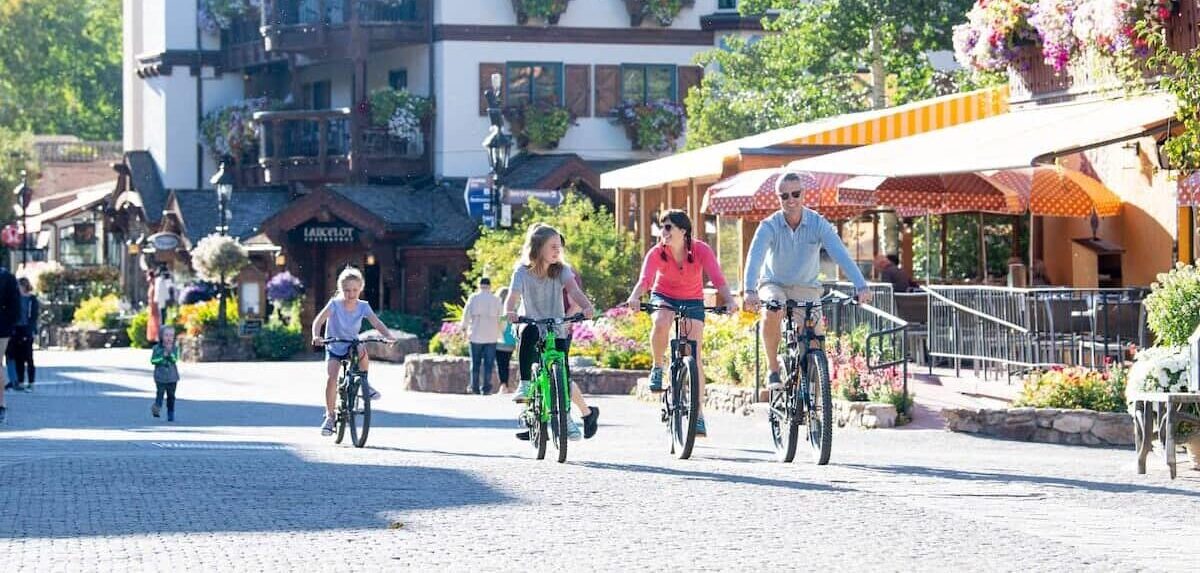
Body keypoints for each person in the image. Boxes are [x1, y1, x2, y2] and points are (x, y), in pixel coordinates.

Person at [742, 171, 873, 391]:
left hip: (807, 287)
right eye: (784, 196)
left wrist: (861, 286)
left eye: (795, 194)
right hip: (774, 284)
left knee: (814, 340)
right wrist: (749, 290)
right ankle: (773, 369)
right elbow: (754, 257)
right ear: (778, 198)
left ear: (804, 194)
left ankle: (812, 394)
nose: (791, 200)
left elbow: (840, 254)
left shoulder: (818, 223)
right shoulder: (769, 225)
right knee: (772, 308)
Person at [624, 209, 735, 437]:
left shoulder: (701, 250)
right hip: (663, 295)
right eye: (661, 227)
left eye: (668, 227)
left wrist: (731, 301)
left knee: (694, 355)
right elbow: (645, 280)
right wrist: (635, 297)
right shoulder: (656, 252)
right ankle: (657, 366)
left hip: (693, 299)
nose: (662, 232)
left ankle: (699, 415)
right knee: (662, 320)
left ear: (683, 231)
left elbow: (718, 278)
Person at [505, 223, 600, 441]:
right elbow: (512, 296)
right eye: (553, 246)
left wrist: (587, 307)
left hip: (556, 326)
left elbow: (574, 291)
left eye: (559, 247)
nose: (558, 250)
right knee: (529, 333)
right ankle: (526, 384)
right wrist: (509, 310)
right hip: (531, 323)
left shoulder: (562, 270)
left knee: (562, 372)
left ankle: (566, 420)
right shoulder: (522, 271)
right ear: (538, 248)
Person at [311, 267, 397, 436]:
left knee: (361, 346)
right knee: (332, 378)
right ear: (341, 290)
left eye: (355, 290)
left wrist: (388, 336)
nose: (351, 294)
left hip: (350, 345)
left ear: (361, 289)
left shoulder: (363, 306)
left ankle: (365, 382)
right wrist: (316, 336)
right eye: (347, 290)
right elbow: (318, 321)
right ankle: (330, 417)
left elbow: (377, 323)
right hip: (335, 346)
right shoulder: (335, 304)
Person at [461, 277, 502, 395]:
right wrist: (500, 331)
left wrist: (464, 329)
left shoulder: (473, 298)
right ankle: (486, 388)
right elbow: (502, 318)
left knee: (475, 363)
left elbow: (466, 315)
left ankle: (474, 388)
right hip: (491, 336)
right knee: (489, 364)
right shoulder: (496, 300)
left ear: (480, 285)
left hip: (475, 335)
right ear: (490, 286)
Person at [6, 278, 38, 392]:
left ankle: (31, 382)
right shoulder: (16, 299)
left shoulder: (31, 299)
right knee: (18, 357)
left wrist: (31, 331)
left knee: (28, 357)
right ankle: (19, 381)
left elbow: (33, 316)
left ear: (24, 286)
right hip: (16, 329)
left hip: (26, 329)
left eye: (19, 286)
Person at [0, 266, 20, 425]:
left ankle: (1, 406)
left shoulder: (6, 277)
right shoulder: (7, 276)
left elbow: (15, 308)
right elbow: (15, 308)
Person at [150, 326, 182, 422]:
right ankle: (157, 407)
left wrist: (170, 354)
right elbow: (153, 360)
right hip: (160, 376)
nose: (169, 338)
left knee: (171, 396)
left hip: (172, 377)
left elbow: (175, 359)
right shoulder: (156, 348)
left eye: (171, 335)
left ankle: (170, 413)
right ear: (161, 336)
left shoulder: (175, 348)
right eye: (166, 335)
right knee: (160, 393)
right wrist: (162, 356)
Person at [495, 286, 517, 394]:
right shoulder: (513, 310)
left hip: (500, 341)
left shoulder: (498, 311)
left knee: (501, 364)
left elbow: (498, 323)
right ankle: (506, 386)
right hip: (511, 341)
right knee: (506, 364)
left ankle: (503, 385)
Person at [146, 270, 161, 344]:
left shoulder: (155, 286)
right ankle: (154, 339)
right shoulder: (151, 285)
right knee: (153, 323)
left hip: (154, 307)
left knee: (156, 323)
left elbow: (155, 298)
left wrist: (154, 308)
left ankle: (157, 339)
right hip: (151, 306)